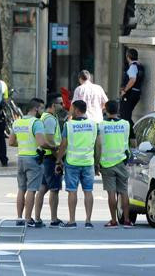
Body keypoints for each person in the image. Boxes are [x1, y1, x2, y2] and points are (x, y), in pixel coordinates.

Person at [57, 100, 97, 229]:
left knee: (72, 191)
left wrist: (58, 159)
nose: (70, 110)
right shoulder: (93, 125)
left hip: (72, 162)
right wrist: (97, 161)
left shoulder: (69, 125)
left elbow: (63, 144)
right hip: (88, 162)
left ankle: (72, 221)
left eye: (71, 108)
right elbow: (98, 144)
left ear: (77, 110)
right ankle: (88, 221)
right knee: (88, 191)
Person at [95, 100, 135, 228]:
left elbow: (99, 145)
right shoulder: (126, 124)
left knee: (111, 193)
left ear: (105, 110)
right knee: (124, 192)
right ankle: (127, 220)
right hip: (122, 161)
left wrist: (97, 162)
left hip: (106, 162)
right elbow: (130, 141)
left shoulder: (100, 125)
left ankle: (113, 220)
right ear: (118, 110)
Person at [8, 98, 48, 227]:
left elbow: (11, 142)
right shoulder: (36, 123)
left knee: (21, 189)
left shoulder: (17, 122)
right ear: (36, 108)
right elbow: (41, 142)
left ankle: (19, 218)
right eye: (41, 108)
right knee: (32, 190)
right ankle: (28, 219)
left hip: (21, 158)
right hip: (33, 159)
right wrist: (53, 147)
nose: (43, 111)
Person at [33, 94, 66, 228]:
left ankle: (37, 218)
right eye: (60, 103)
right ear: (53, 105)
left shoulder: (47, 117)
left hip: (45, 157)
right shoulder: (50, 119)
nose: (63, 105)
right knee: (54, 189)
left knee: (43, 188)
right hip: (50, 157)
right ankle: (53, 219)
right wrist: (58, 158)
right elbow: (50, 140)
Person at [119, 48, 144, 136]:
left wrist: (124, 90)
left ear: (128, 57)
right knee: (126, 116)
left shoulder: (133, 67)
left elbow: (133, 79)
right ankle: (133, 135)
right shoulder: (139, 66)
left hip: (130, 94)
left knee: (124, 116)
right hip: (136, 94)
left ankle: (135, 135)